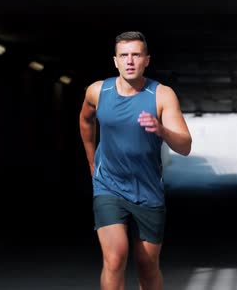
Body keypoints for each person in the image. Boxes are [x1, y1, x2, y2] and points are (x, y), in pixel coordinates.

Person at [79, 31, 192, 290]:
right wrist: (91, 160)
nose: (130, 61)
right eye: (124, 55)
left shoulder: (162, 95)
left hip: (148, 190)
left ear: (147, 60)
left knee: (147, 265)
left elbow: (185, 145)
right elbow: (85, 120)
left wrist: (162, 130)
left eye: (136, 55)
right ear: (115, 61)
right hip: (108, 186)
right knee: (115, 257)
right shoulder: (98, 91)